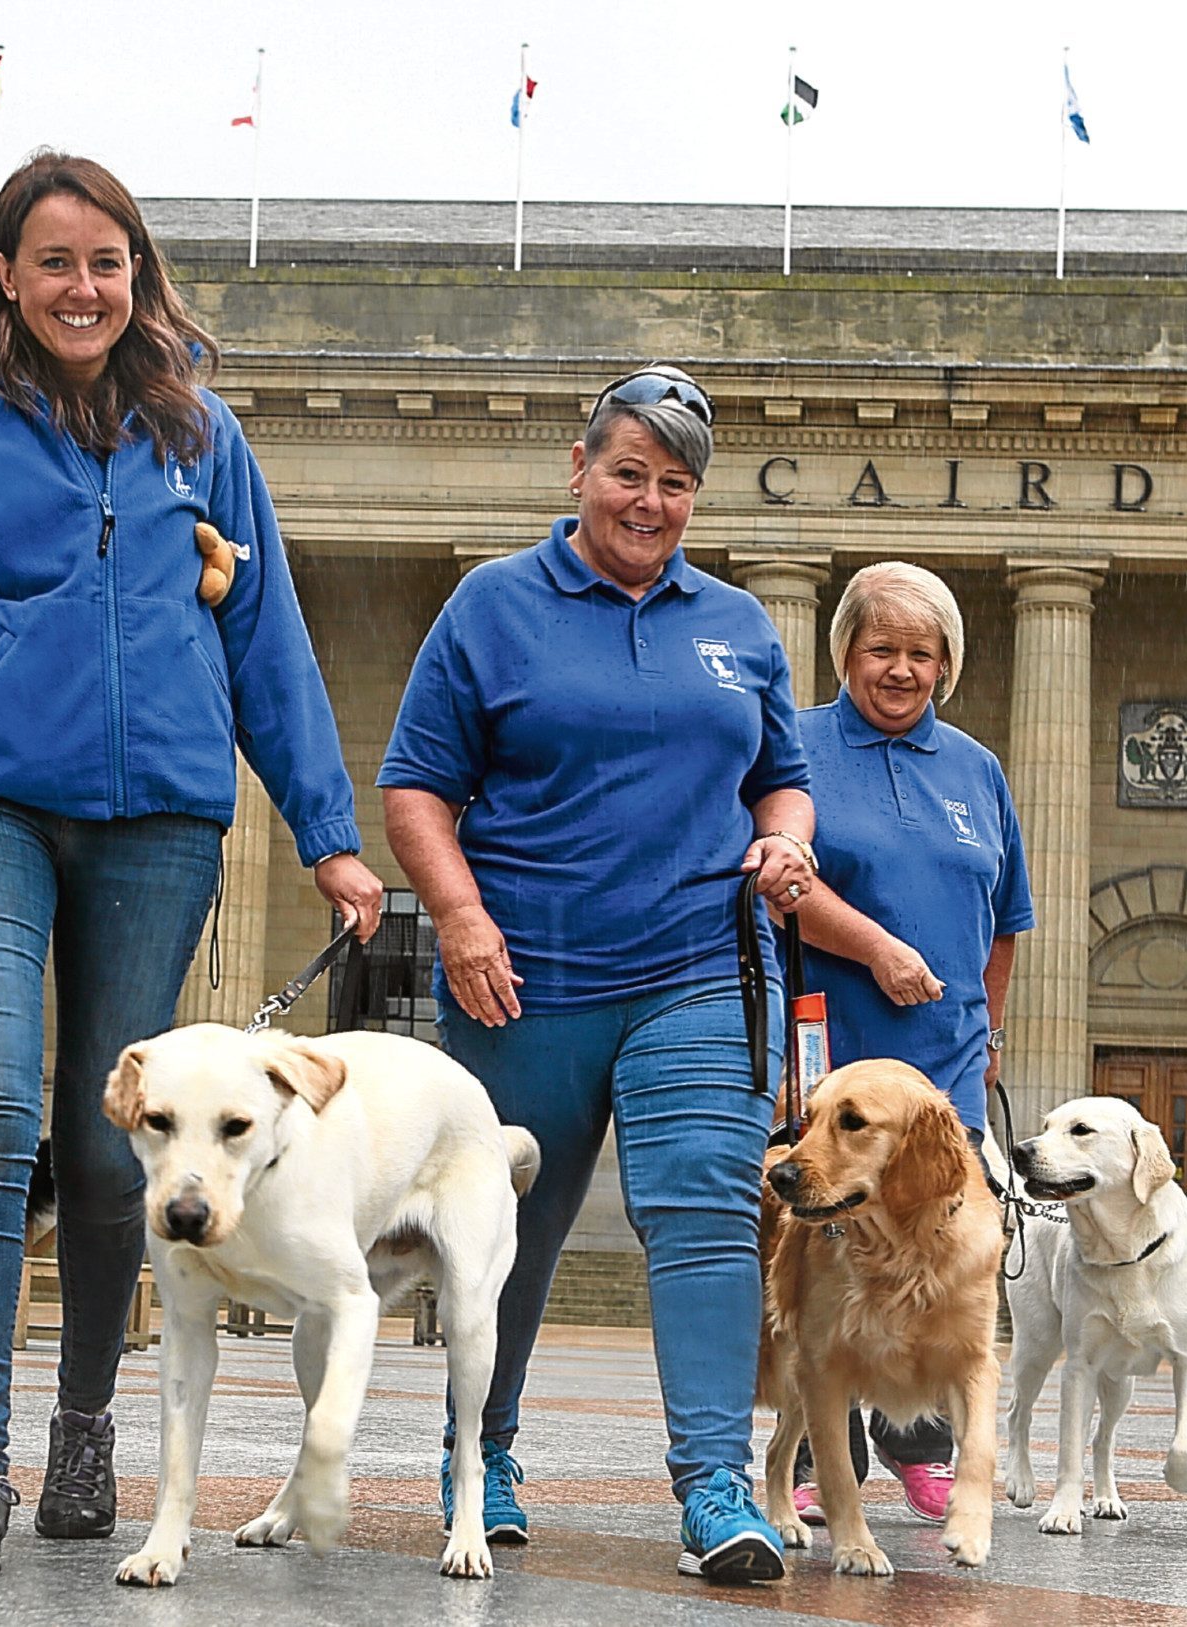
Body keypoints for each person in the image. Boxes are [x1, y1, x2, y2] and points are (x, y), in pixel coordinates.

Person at [0, 152, 385, 1579]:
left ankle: (83, 1423)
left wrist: (328, 834)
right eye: (55, 261)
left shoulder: (203, 444)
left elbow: (268, 648)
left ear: (137, 277)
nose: (84, 287)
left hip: (159, 820)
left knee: (111, 1131)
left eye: (109, 262)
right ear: (4, 280)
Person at [379, 365, 813, 1585]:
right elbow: (415, 784)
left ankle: (715, 1483)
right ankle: (484, 1450)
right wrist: (457, 918)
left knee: (704, 1215)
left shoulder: (736, 625)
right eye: (629, 472)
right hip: (525, 978)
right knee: (504, 1227)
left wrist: (789, 834)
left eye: (676, 483)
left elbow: (780, 771)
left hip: (697, 969)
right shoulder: (491, 606)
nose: (651, 501)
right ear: (579, 471)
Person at [783, 561, 1031, 1526]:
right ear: (845, 650)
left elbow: (1005, 918)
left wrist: (991, 1029)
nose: (900, 669)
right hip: (829, 1054)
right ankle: (824, 1441)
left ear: (947, 665)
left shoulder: (977, 767)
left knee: (935, 1239)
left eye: (920, 653)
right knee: (827, 1252)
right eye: (881, 648)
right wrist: (878, 948)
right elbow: (779, 883)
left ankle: (921, 1434)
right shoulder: (796, 748)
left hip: (944, 1062)